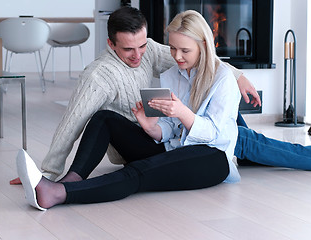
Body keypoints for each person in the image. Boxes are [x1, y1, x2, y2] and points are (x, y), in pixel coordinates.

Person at [16, 9, 241, 210]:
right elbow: (171, 129)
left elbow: (213, 134)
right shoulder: (172, 72)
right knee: (103, 118)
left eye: (184, 50)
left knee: (138, 172)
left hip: (212, 156)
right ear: (111, 44)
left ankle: (58, 193)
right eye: (172, 48)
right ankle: (71, 180)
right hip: (172, 149)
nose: (176, 56)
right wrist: (151, 127)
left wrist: (183, 111)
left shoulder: (223, 79)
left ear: (203, 46)